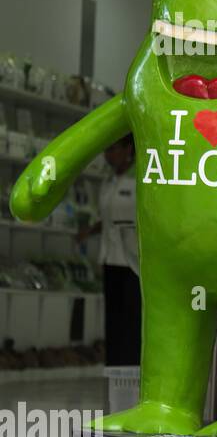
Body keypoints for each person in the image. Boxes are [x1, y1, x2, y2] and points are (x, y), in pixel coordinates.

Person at [78, 133, 141, 366]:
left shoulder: (140, 179)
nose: (109, 155)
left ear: (128, 149)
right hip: (110, 259)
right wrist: (88, 232)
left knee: (131, 319)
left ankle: (132, 368)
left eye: (114, 149)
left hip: (133, 262)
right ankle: (114, 367)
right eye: (107, 150)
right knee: (113, 318)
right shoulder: (108, 181)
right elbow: (107, 219)